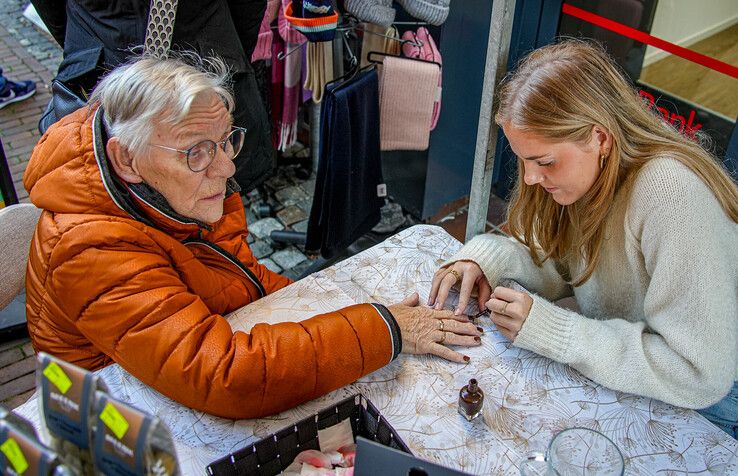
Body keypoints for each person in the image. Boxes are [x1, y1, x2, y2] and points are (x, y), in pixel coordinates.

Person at [23, 55, 482, 420]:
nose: (225, 167)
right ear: (125, 160)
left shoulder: (173, 190)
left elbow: (240, 281)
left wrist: (345, 315)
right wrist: (384, 330)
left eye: (226, 141)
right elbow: (226, 376)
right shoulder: (89, 249)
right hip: (114, 415)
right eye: (197, 152)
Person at [429, 40, 738, 437]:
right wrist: (486, 259)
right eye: (523, 160)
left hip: (709, 404)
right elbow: (561, 266)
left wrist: (557, 331)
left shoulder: (671, 193)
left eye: (544, 162)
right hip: (635, 374)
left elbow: (699, 372)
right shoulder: (589, 174)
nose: (529, 179)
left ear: (600, 139)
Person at [21, 0, 274, 192]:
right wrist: (226, 60)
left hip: (116, 72)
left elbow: (48, 2)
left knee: (213, 188)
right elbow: (248, 0)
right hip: (195, 67)